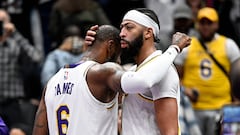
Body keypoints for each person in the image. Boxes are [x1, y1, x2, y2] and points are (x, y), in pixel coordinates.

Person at [32, 21, 191, 135]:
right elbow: (143, 80)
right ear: (110, 47)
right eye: (119, 56)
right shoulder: (103, 73)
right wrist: (174, 49)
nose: (119, 61)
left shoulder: (52, 82)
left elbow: (39, 130)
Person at [84, 8, 191, 135]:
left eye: (129, 28)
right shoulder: (133, 71)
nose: (122, 33)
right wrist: (93, 50)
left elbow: (170, 132)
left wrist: (174, 48)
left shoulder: (164, 72)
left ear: (148, 33)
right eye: (122, 28)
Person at [174, 7, 240, 135]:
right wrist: (185, 90)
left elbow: (237, 75)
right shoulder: (188, 45)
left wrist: (237, 99)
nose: (205, 27)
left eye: (209, 23)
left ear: (217, 25)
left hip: (222, 106)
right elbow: (175, 76)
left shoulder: (228, 45)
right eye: (202, 23)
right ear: (197, 24)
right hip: (193, 108)